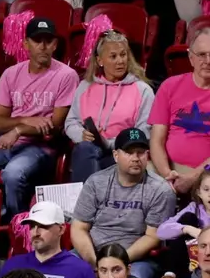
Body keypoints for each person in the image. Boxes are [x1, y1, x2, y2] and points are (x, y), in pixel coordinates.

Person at [0, 16, 77, 215]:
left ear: (55, 45)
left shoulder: (66, 75)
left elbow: (55, 124)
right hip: (5, 141)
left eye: (48, 41)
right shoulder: (11, 73)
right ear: (26, 44)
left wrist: (17, 130)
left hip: (41, 147)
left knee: (13, 174)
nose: (43, 46)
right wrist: (24, 121)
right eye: (37, 40)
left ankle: (15, 223)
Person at [71, 126, 178, 278]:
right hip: (91, 254)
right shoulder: (96, 182)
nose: (136, 158)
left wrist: (115, 264)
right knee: (65, 273)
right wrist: (95, 263)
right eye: (129, 152)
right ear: (116, 155)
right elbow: (79, 227)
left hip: (134, 259)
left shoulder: (160, 190)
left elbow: (152, 237)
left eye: (140, 152)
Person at [149, 26, 210, 196]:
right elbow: (157, 140)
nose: (207, 61)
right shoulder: (169, 86)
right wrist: (167, 175)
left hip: (209, 173)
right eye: (201, 54)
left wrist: (192, 178)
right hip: (167, 169)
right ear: (190, 57)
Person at [64, 29, 156, 184]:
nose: (120, 61)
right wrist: (81, 135)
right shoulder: (85, 87)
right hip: (89, 150)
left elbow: (144, 132)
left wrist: (109, 143)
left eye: (123, 55)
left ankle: (88, 203)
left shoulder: (142, 90)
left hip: (124, 154)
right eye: (113, 56)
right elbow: (71, 122)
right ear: (100, 60)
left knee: (88, 154)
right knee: (85, 149)